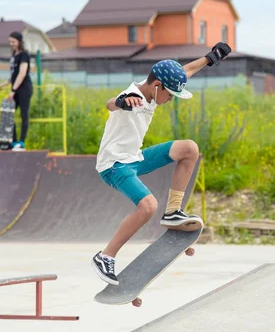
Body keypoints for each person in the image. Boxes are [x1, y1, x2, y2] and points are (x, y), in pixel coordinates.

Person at [91, 42, 232, 285]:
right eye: (169, 95)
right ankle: (105, 256)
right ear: (157, 86)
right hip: (114, 165)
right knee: (147, 206)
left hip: (135, 158)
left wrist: (209, 59)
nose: (169, 100)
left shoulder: (154, 92)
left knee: (189, 149)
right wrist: (122, 103)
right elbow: (110, 103)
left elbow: (185, 71)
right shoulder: (133, 96)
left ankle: (173, 211)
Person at [0, 31, 33, 151]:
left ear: (19, 41)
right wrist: (4, 84)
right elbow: (14, 74)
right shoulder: (14, 55)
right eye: (10, 41)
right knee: (8, 113)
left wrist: (13, 90)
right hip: (16, 88)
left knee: (23, 114)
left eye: (14, 41)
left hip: (24, 88)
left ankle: (21, 142)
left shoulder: (24, 55)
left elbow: (22, 74)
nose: (11, 44)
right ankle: (14, 140)